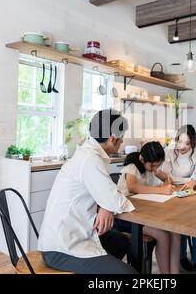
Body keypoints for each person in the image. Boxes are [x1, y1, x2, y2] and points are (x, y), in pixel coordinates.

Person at [38, 109, 137, 274]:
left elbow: (109, 195)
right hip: (62, 246)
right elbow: (115, 200)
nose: (122, 141)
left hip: (77, 232)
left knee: (122, 242)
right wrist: (108, 203)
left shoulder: (88, 155)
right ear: (113, 138)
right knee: (129, 274)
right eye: (121, 137)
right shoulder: (90, 160)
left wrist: (106, 204)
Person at [115, 142, 181, 274]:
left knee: (175, 231)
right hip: (125, 217)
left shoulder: (151, 166)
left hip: (142, 213)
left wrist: (165, 181)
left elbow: (168, 179)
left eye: (157, 165)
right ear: (142, 158)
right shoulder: (132, 167)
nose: (154, 168)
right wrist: (160, 190)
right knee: (162, 235)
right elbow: (132, 187)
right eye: (152, 165)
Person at [162, 125, 196, 273]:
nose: (183, 146)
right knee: (179, 226)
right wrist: (179, 181)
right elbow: (165, 176)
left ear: (193, 143)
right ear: (176, 139)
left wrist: (193, 182)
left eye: (187, 143)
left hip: (189, 189)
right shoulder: (169, 151)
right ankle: (181, 257)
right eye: (180, 142)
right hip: (171, 191)